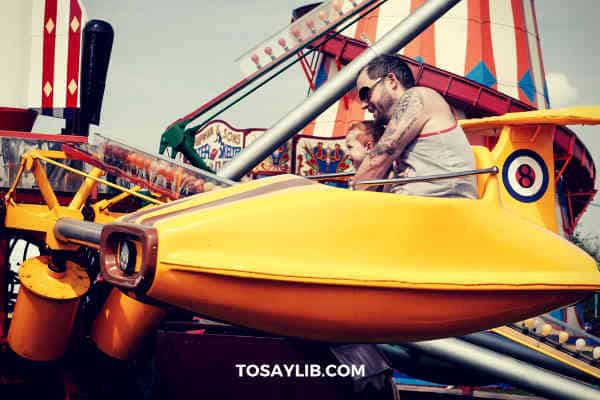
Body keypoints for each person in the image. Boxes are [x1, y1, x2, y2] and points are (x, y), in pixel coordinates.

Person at [353, 54, 478, 198]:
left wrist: (348, 200)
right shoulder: (406, 130)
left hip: (442, 209)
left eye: (365, 93)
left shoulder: (418, 97)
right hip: (415, 209)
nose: (363, 104)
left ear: (391, 81)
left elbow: (378, 160)